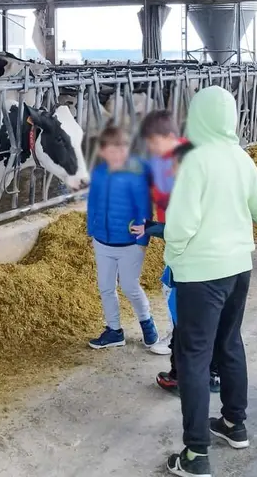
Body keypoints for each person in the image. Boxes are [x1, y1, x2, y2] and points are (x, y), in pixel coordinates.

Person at [162, 86, 257, 477]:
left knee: (194, 357)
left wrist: (174, 256)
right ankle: (234, 424)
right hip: (238, 269)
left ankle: (196, 454)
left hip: (201, 273)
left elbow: (180, 225)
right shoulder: (241, 158)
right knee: (229, 343)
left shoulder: (195, 161)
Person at [149, 142, 221, 397]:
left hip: (186, 271)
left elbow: (179, 231)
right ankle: (213, 374)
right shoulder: (214, 189)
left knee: (183, 327)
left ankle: (180, 377)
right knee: (210, 324)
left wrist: (151, 228)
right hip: (216, 271)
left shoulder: (187, 193)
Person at [86, 125, 159, 350]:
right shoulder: (98, 174)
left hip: (129, 244)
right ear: (102, 152)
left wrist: (142, 238)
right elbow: (93, 203)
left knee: (129, 286)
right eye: (112, 150)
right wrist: (92, 231)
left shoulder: (134, 176)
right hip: (102, 242)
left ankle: (146, 321)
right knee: (106, 287)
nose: (118, 155)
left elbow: (143, 206)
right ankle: (114, 330)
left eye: (122, 149)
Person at [140, 110, 187, 356]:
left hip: (187, 241)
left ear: (170, 136)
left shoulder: (185, 164)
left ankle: (178, 338)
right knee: (170, 284)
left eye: (154, 142)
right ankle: (177, 335)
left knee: (174, 288)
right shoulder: (164, 160)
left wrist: (152, 228)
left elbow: (185, 220)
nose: (151, 148)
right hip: (175, 237)